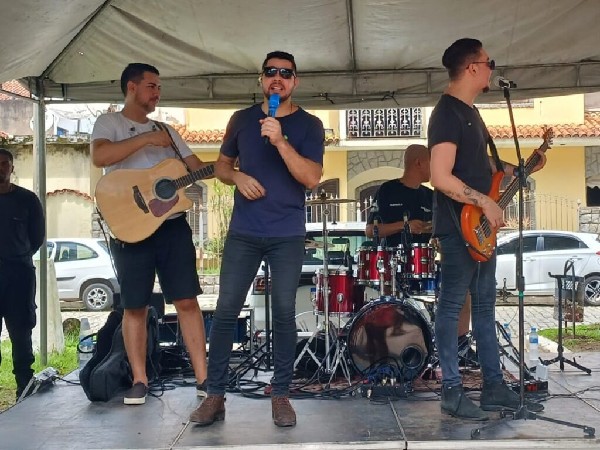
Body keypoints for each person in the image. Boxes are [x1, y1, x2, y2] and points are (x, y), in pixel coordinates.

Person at [189, 51, 324, 427]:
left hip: (287, 234)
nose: (277, 78)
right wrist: (236, 176)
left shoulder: (310, 125)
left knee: (283, 313)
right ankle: (215, 395)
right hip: (244, 232)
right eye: (271, 72)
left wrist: (280, 141)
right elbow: (221, 165)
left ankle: (280, 395)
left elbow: (312, 178)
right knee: (226, 310)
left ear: (295, 81)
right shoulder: (241, 119)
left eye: (286, 73)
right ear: (261, 79)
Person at [429, 38, 546, 420]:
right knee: (451, 306)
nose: (492, 69)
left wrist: (519, 169)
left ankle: (493, 387)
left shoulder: (472, 113)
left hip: (481, 229)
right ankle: (450, 390)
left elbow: (485, 169)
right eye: (488, 62)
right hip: (458, 225)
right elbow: (440, 176)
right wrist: (483, 202)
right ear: (472, 68)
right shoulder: (446, 114)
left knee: (483, 306)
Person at [91, 63, 210, 405]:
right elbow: (101, 156)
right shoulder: (109, 122)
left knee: (186, 300)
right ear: (132, 87)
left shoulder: (168, 131)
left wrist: (229, 166)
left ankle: (204, 379)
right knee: (135, 306)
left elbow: (196, 167)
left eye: (159, 87)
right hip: (131, 227)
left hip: (172, 226)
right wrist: (145, 138)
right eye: (151, 86)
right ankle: (139, 380)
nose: (158, 92)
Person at [365, 144, 476, 367]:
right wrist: (404, 226)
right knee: (389, 302)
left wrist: (433, 232)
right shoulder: (387, 190)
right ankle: (388, 349)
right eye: (431, 162)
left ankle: (461, 345)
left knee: (462, 289)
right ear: (418, 163)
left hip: (426, 263)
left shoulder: (431, 196)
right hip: (393, 264)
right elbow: (370, 230)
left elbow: (443, 230)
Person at [0, 148, 45, 399]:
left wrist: (17, 255)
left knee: (21, 333)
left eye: (4, 163)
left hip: (19, 276)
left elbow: (37, 238)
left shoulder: (27, 200)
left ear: (12, 168)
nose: (0, 168)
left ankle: (25, 389)